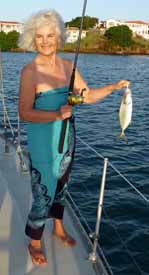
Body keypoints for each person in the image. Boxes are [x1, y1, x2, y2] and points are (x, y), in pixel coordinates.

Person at [18, 9, 130, 267]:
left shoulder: (69, 67)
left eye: (50, 35)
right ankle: (34, 241)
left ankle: (58, 227)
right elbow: (24, 112)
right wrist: (56, 113)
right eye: (39, 37)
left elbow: (86, 95)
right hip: (43, 141)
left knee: (62, 186)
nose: (45, 41)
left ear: (59, 37)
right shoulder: (29, 71)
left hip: (67, 137)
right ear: (32, 40)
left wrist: (113, 88)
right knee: (43, 190)